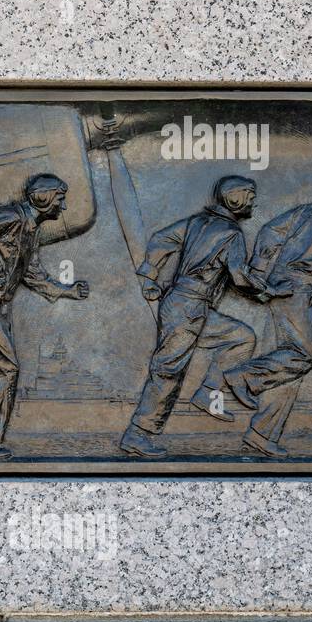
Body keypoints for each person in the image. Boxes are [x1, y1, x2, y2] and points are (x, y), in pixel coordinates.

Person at [119, 175, 274, 458]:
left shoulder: (197, 222)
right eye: (249, 197)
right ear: (234, 198)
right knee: (168, 370)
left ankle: (207, 391)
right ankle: (138, 434)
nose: (253, 202)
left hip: (188, 306)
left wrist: (149, 274)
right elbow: (240, 277)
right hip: (189, 308)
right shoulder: (231, 232)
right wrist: (268, 291)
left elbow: (160, 239)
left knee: (241, 338)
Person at [0, 173, 90, 461]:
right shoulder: (12, 218)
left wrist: (68, 291)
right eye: (60, 200)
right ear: (43, 199)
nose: (63, 208)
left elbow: (33, 275)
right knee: (6, 370)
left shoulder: (31, 231)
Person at [223, 197, 312, 457]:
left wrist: (260, 272)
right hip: (297, 290)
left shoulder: (310, 209)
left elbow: (269, 231)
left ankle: (261, 434)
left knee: (287, 367)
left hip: (280, 283)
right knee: (303, 356)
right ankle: (244, 376)